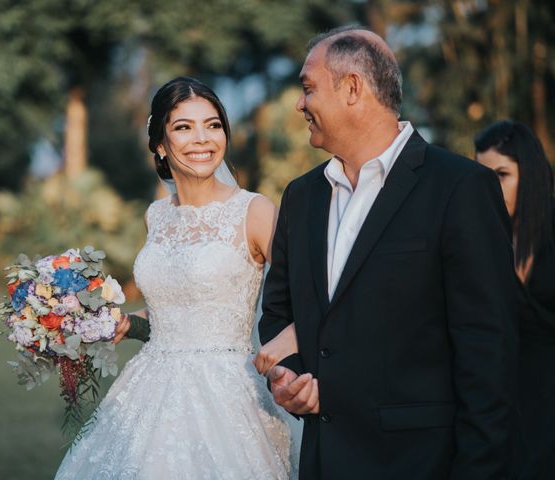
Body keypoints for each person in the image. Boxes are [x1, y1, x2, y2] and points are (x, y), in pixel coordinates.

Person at [257, 26, 519, 479]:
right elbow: (278, 313)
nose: (300, 104)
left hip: (421, 464)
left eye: (308, 88)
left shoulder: (459, 188)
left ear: (353, 88)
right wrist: (294, 380)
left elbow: (488, 355)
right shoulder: (301, 197)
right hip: (324, 464)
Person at [55, 76, 299, 479]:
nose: (202, 139)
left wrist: (293, 340)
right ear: (160, 144)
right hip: (149, 390)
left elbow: (305, 293)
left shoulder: (254, 211)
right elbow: (171, 313)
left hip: (227, 396)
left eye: (213, 124)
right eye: (184, 127)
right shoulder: (157, 215)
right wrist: (125, 324)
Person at [475, 120, 555, 479]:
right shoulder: (477, 245)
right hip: (502, 411)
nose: (489, 187)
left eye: (502, 174)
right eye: (482, 176)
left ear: (531, 175)